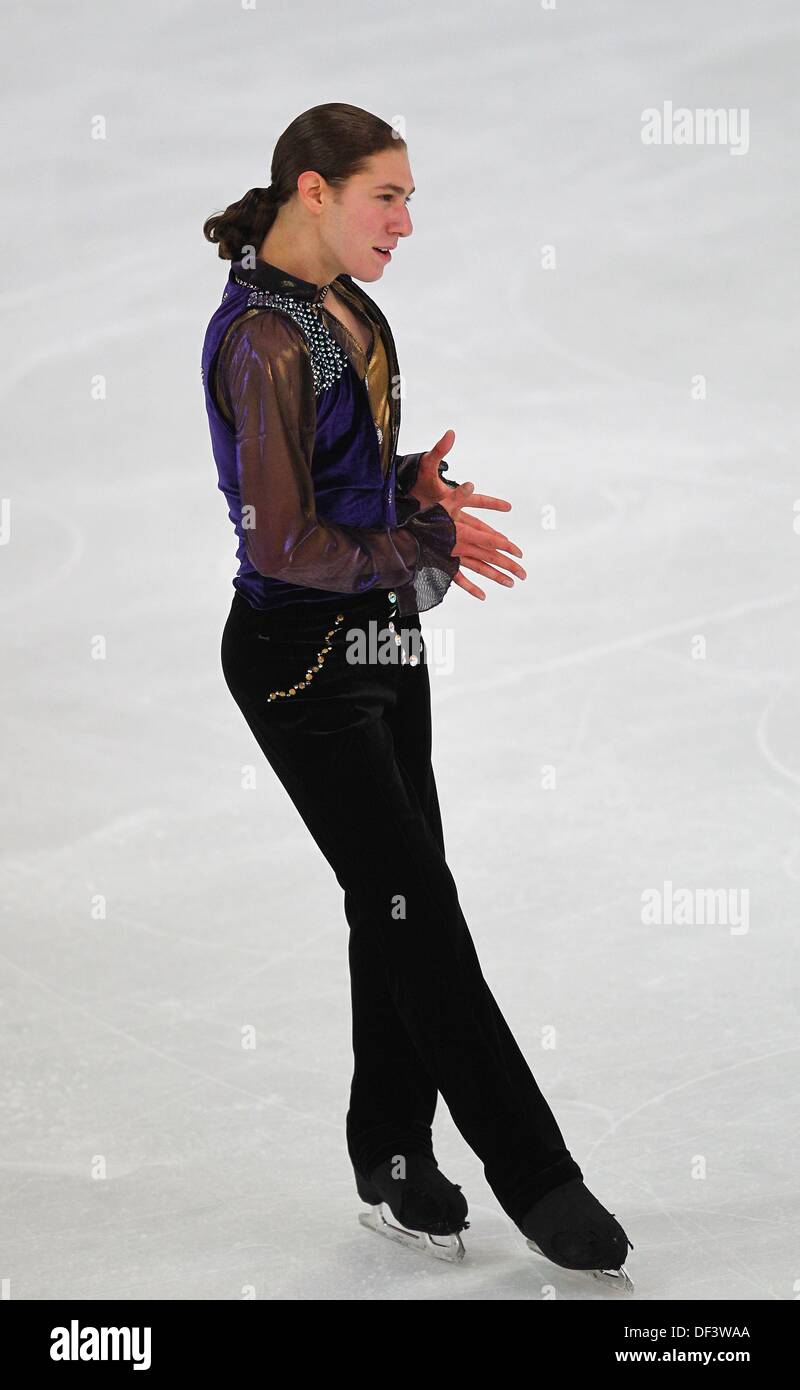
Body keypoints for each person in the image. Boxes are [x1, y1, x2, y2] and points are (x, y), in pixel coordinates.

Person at [201, 103, 633, 1288]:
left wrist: (405, 486)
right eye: (384, 196)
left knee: (392, 902)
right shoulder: (263, 340)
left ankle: (390, 1150)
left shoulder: (343, 305)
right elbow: (283, 541)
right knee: (416, 911)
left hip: (378, 641)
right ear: (311, 189)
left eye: (406, 198)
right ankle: (534, 1172)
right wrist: (420, 541)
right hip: (302, 665)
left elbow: (337, 476)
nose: (403, 220)